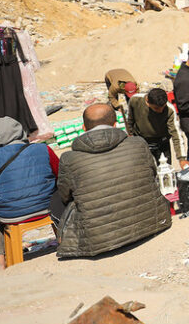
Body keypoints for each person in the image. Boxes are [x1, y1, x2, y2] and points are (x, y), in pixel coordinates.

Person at [54, 104, 171, 258]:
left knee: (55, 198)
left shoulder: (69, 159)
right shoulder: (138, 143)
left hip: (99, 241)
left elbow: (64, 196)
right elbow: (153, 173)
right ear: (115, 125)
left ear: (83, 127)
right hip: (152, 224)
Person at [0, 117, 58, 274]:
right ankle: (63, 240)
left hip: (11, 214)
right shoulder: (44, 149)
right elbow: (59, 174)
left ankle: (0, 263)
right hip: (47, 206)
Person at [127, 87, 188, 168]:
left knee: (165, 170)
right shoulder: (135, 100)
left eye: (163, 108)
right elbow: (130, 120)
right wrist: (131, 136)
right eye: (156, 108)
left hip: (162, 143)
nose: (160, 111)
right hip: (142, 141)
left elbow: (176, 133)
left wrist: (182, 158)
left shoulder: (169, 109)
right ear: (147, 102)